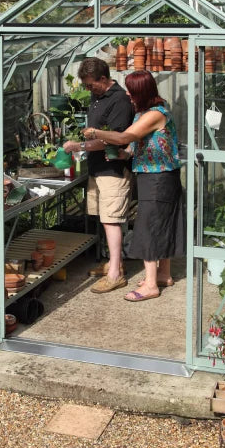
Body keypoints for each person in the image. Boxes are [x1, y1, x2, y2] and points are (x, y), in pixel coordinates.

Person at [83, 70, 184, 302]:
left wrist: (95, 132)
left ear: (142, 92)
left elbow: (124, 137)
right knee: (161, 224)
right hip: (155, 176)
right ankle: (163, 274)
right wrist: (122, 155)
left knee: (149, 228)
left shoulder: (156, 114)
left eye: (131, 90)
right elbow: (134, 145)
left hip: (159, 178)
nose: (128, 94)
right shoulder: (144, 113)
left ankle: (150, 285)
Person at [61, 57, 135, 293]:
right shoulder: (97, 96)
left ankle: (115, 275)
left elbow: (113, 139)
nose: (88, 90)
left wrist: (79, 146)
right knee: (104, 218)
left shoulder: (120, 100)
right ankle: (115, 264)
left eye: (91, 85)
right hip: (97, 168)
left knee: (111, 220)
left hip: (113, 170)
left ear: (104, 79)